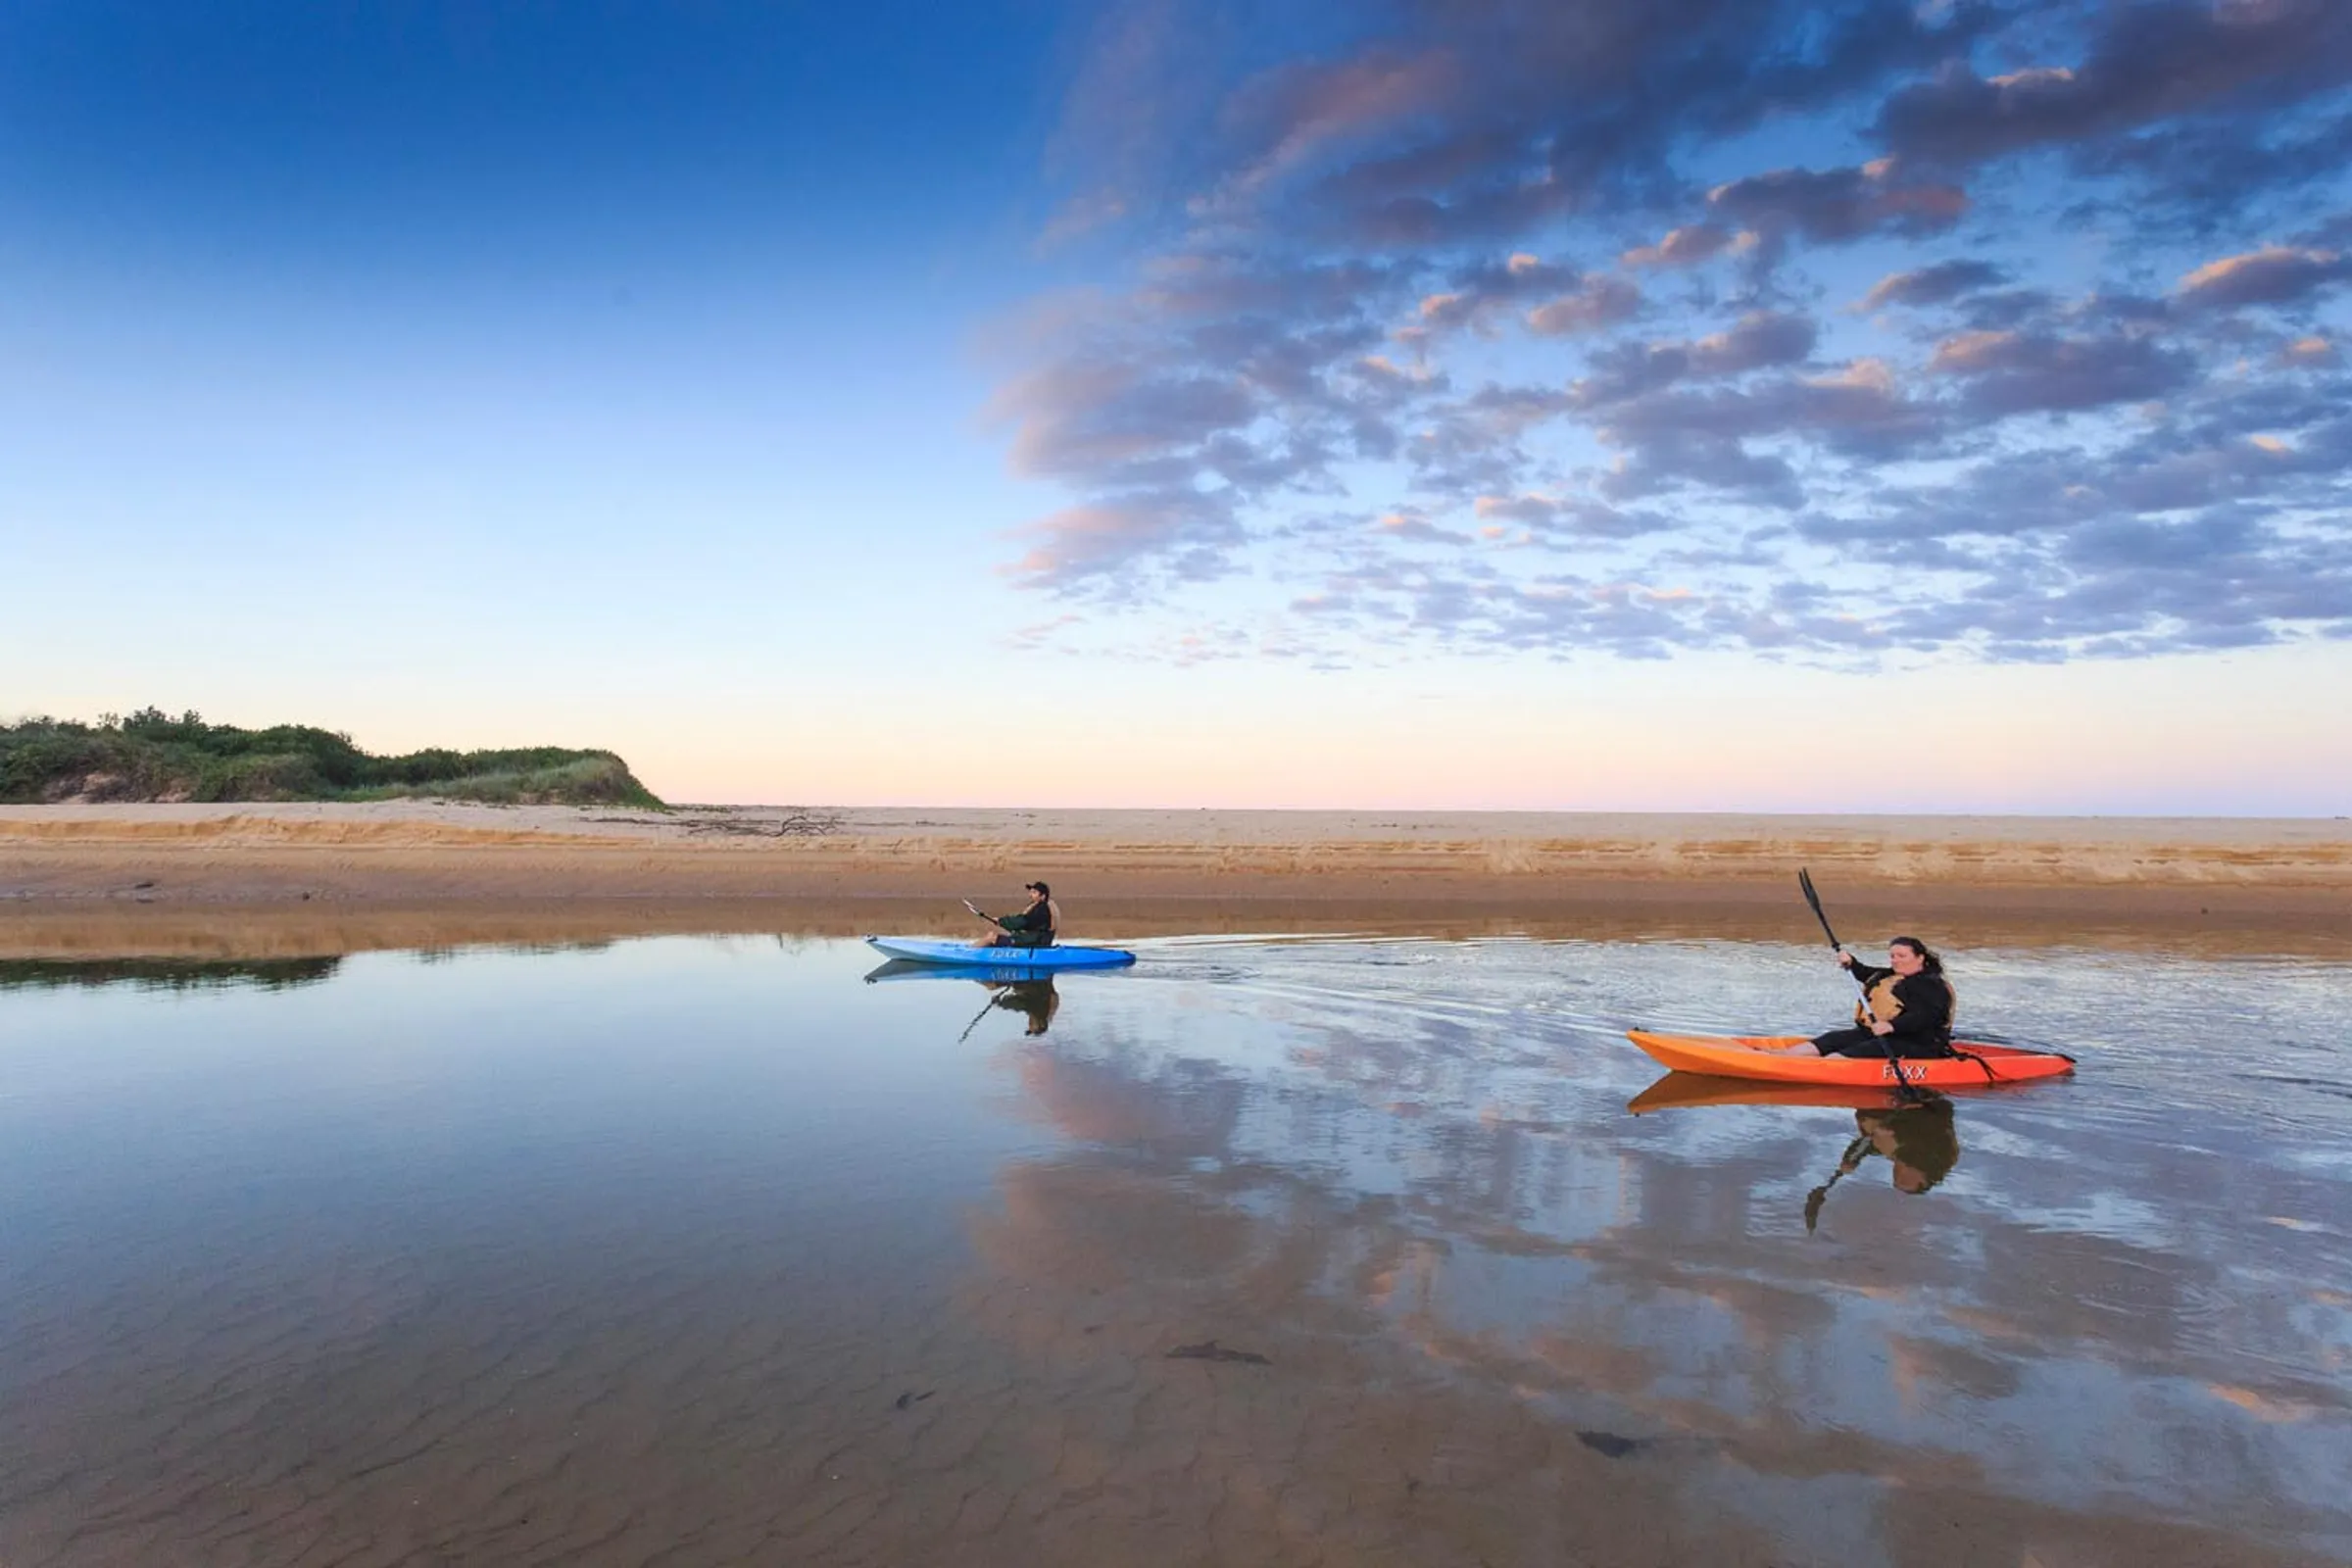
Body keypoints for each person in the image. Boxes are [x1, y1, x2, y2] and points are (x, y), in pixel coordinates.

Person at [1788, 935, 1954, 1057]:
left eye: (1902, 956)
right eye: (1892, 956)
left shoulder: (1932, 985)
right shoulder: (1890, 975)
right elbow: (1865, 973)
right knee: (1832, 1039)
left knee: (1844, 1054)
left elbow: (1927, 1016)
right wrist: (1851, 962)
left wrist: (1891, 1026)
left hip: (1918, 1044)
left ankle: (1829, 1064)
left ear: (1920, 958)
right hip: (1882, 1035)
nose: (1895, 960)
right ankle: (1785, 1056)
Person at [969, 881, 1057, 949]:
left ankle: (969, 952)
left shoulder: (1042, 909)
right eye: (1030, 892)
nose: (1030, 895)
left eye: (1034, 892)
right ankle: (975, 950)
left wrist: (1001, 921)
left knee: (992, 937)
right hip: (1031, 939)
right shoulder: (1041, 907)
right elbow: (1025, 924)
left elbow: (1023, 922)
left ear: (1043, 896)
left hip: (1033, 942)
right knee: (994, 934)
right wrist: (1001, 923)